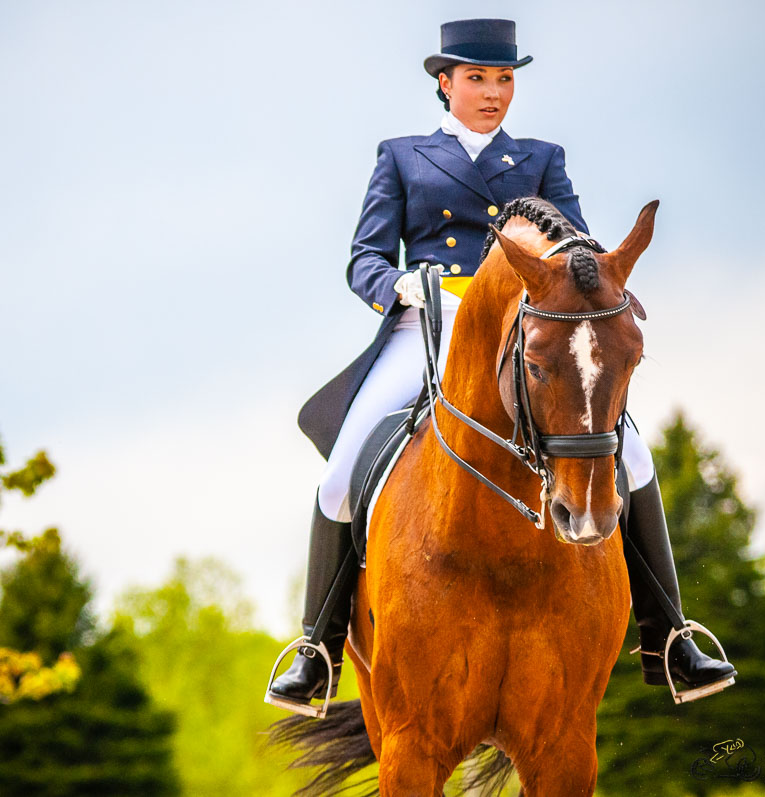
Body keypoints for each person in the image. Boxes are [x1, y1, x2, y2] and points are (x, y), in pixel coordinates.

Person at [266, 18, 737, 713]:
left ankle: (670, 635)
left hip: (526, 331)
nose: (493, 92)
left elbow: (579, 250)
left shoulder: (542, 158)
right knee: (340, 477)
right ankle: (318, 648)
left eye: (505, 79)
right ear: (444, 83)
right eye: (479, 78)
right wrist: (395, 284)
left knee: (632, 459)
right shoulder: (402, 156)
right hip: (428, 326)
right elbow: (363, 257)